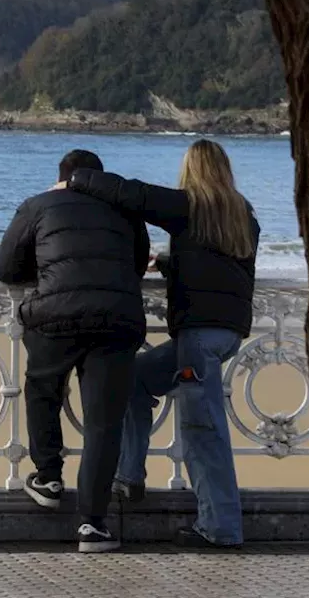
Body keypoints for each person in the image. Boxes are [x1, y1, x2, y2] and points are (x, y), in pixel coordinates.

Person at [67, 138, 259, 550]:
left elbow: (130, 193)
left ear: (192, 171)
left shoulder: (188, 205)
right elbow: (224, 265)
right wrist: (172, 264)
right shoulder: (243, 213)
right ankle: (128, 477)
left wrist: (77, 179)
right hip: (226, 333)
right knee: (134, 382)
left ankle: (220, 529)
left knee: (203, 432)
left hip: (198, 337)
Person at [0, 149, 149, 553]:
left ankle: (48, 476)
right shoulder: (127, 210)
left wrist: (48, 270)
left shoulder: (38, 205)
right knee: (103, 422)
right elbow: (134, 265)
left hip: (55, 317)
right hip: (117, 321)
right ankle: (93, 525)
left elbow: (5, 268)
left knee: (43, 388)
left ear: (60, 177)